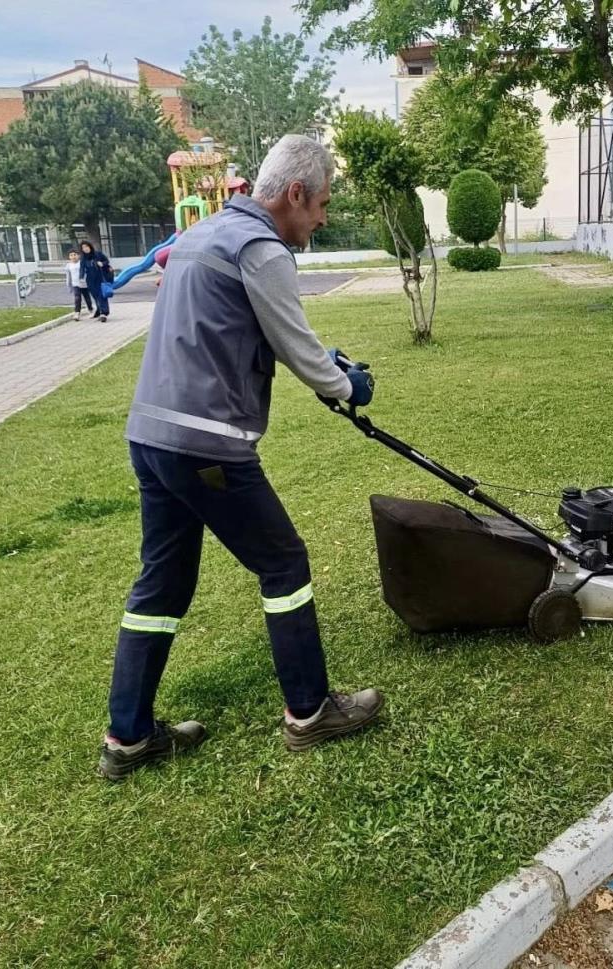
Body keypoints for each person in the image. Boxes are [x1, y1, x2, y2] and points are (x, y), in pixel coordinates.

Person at [99, 134, 382, 781]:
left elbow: (243, 327)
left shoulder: (204, 236)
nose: (322, 219)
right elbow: (298, 348)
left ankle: (128, 736)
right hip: (206, 443)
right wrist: (347, 383)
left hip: (150, 436)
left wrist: (321, 360)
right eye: (321, 206)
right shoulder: (263, 247)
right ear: (294, 194)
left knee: (162, 582)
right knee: (283, 562)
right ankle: (310, 712)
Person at [79, 241, 111, 321]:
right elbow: (82, 268)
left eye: (86, 247)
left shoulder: (98, 254)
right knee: (95, 296)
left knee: (102, 295)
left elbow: (107, 261)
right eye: (83, 248)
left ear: (90, 247)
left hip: (100, 278)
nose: (85, 249)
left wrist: (102, 263)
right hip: (90, 280)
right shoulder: (83, 258)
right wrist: (81, 277)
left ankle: (104, 313)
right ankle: (99, 311)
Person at [64, 250, 93, 320]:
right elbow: (68, 277)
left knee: (87, 298)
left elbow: (88, 273)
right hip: (75, 285)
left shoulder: (82, 263)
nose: (73, 257)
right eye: (71, 255)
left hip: (84, 284)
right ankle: (77, 313)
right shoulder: (68, 266)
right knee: (77, 298)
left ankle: (91, 310)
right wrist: (69, 286)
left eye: (75, 255)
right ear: (69, 257)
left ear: (78, 256)